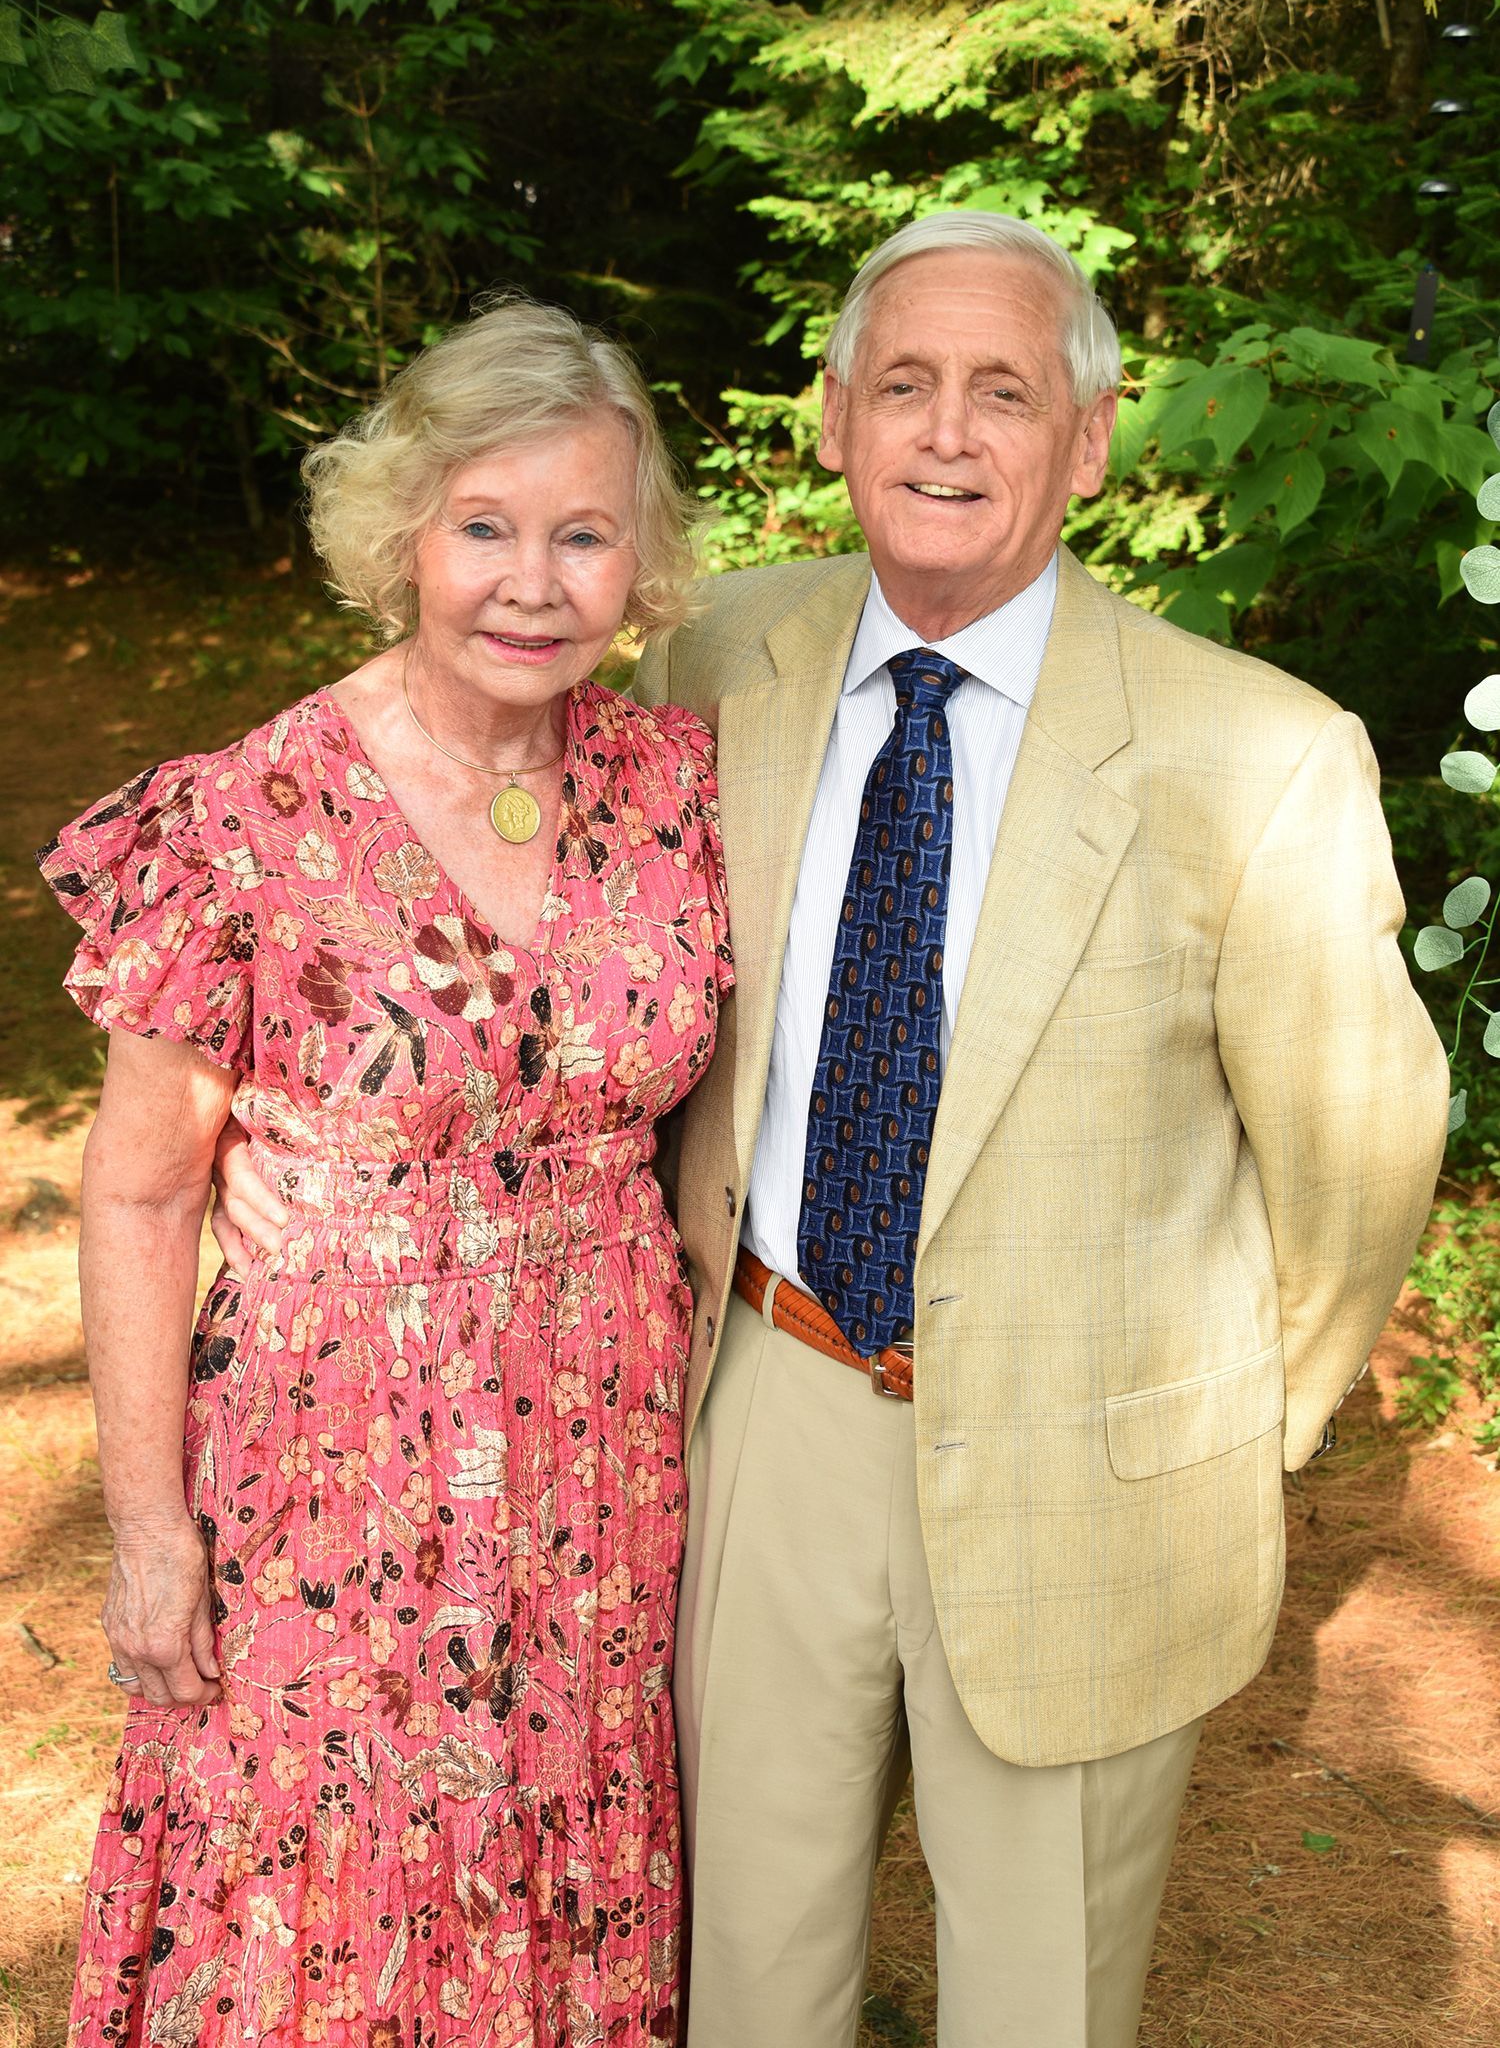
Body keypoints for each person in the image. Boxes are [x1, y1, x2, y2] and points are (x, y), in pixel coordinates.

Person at [217, 213, 1450, 2048]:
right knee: (742, 1974)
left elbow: (1359, 1149)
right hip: (764, 1411)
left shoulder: (1256, 753)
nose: (947, 435)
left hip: (1079, 1462)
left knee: (1038, 2003)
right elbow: (534, 922)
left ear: (1088, 441)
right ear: (836, 419)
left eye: (1004, 393)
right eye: (905, 386)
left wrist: (1227, 1423)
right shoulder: (719, 652)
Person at [37, 295, 731, 2048]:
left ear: (638, 561)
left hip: (609, 1467)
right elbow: (135, 1191)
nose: (532, 581)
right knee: (310, 1889)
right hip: (327, 1471)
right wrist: (146, 1530)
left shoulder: (684, 785)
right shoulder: (242, 820)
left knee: (569, 1872)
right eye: (485, 527)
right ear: (400, 534)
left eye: (584, 536)